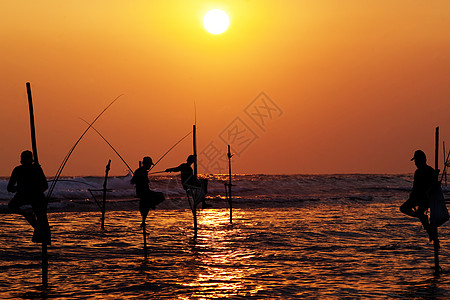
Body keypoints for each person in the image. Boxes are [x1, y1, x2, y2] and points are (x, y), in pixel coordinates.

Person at [7, 150, 50, 243]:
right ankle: (30, 218)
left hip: (35, 197)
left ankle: (40, 233)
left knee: (41, 219)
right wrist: (19, 188)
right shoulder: (21, 170)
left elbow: (45, 186)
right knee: (11, 206)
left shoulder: (36, 169)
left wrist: (34, 190)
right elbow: (9, 188)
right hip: (25, 196)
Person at [400, 150, 439, 244]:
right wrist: (412, 197)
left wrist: (435, 175)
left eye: (416, 160)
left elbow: (433, 185)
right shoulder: (418, 172)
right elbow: (415, 187)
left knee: (421, 214)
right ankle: (422, 219)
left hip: (426, 199)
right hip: (417, 198)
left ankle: (432, 234)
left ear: (422, 160)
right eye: (415, 161)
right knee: (404, 208)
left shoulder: (429, 171)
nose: (415, 163)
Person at [131, 156, 165, 226]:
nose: (150, 166)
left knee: (145, 206)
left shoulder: (142, 172)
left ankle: (143, 221)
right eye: (149, 165)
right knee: (161, 196)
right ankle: (151, 205)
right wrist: (140, 177)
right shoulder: (140, 172)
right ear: (146, 164)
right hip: (143, 192)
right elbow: (132, 182)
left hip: (146, 191)